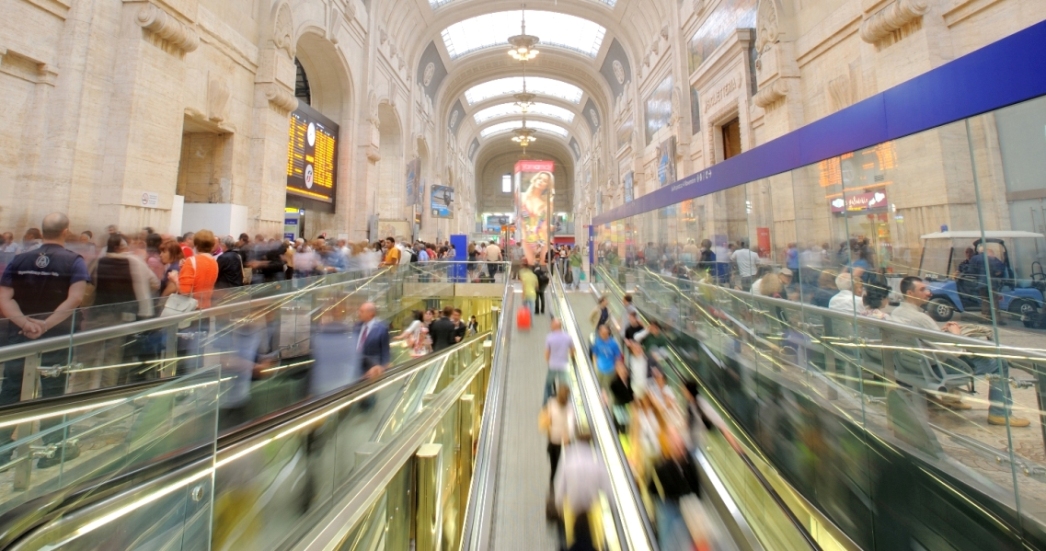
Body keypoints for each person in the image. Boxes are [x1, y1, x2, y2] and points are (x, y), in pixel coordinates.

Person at [0, 213, 89, 466]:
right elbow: (75, 298)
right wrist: (46, 325)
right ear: (66, 231)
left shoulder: (19, 259)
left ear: (42, 231)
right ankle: (54, 449)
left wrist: (25, 323)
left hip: (20, 334)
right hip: (57, 336)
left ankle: (3, 449)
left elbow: (5, 297)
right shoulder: (74, 262)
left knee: (11, 389)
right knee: (54, 390)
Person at [890, 276, 1028, 427]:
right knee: (999, 364)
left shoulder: (897, 312)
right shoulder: (921, 318)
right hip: (937, 370)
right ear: (910, 293)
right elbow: (955, 351)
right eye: (922, 289)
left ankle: (951, 398)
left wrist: (940, 333)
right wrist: (956, 333)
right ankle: (1000, 414)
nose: (928, 293)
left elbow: (929, 340)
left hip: (914, 366)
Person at [553, 432, 614, 524]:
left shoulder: (568, 456)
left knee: (574, 528)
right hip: (590, 507)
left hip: (573, 505)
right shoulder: (597, 460)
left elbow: (560, 482)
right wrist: (612, 504)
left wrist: (558, 503)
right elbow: (606, 484)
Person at [541, 384, 575, 486]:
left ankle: (552, 482)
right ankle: (560, 482)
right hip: (563, 440)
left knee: (553, 463)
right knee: (562, 463)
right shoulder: (569, 408)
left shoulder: (551, 402)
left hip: (552, 437)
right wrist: (568, 437)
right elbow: (571, 425)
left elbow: (548, 417)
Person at [179, 230, 219, 309]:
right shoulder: (214, 262)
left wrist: (174, 279)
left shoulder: (191, 261)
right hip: (206, 306)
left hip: (192, 308)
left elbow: (185, 291)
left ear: (196, 244)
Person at [355, 302, 390, 380]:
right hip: (356, 369)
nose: (359, 313)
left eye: (361, 311)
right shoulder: (357, 326)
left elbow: (385, 351)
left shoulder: (382, 329)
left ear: (370, 314)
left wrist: (383, 368)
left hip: (372, 370)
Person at [545, 318, 575, 399]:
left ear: (555, 326)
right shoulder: (568, 337)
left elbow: (547, 353)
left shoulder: (549, 337)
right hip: (564, 365)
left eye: (551, 325)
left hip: (553, 365)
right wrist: (571, 358)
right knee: (564, 386)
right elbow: (573, 351)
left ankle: (546, 403)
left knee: (548, 384)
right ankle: (564, 403)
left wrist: (549, 362)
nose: (550, 326)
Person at [591, 324, 622, 390]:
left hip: (610, 370)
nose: (601, 334)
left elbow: (618, 357)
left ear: (608, 332)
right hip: (599, 369)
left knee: (607, 386)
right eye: (600, 332)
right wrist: (595, 365)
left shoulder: (613, 344)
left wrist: (616, 369)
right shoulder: (597, 342)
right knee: (598, 383)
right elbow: (594, 354)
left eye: (603, 332)